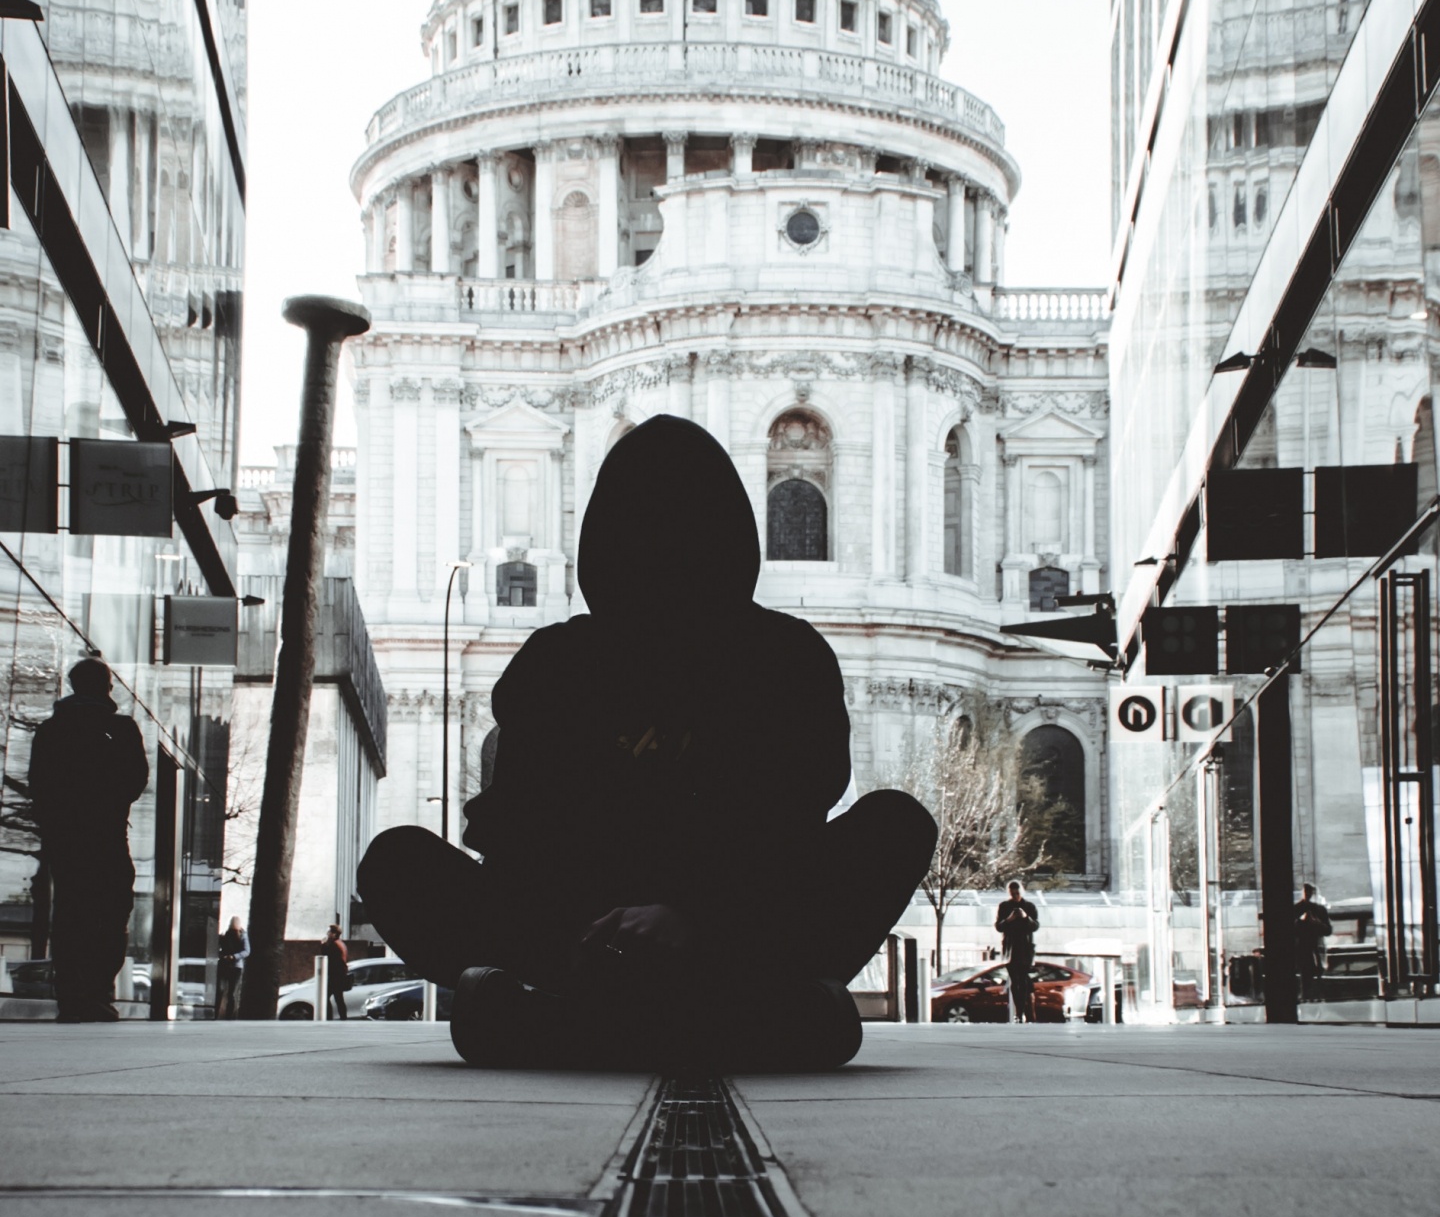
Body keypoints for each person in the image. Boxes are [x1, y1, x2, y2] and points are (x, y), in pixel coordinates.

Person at [359, 416, 936, 1071]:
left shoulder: (772, 656)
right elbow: (522, 829)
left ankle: (565, 1025)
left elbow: (790, 817)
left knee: (896, 824)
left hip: (677, 939)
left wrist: (690, 918)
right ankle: (752, 1024)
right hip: (655, 944)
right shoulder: (779, 653)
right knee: (396, 861)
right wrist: (622, 923)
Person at [29, 659, 149, 1023]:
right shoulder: (120, 728)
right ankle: (97, 993)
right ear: (105, 687)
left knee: (69, 915)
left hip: (65, 842)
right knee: (111, 913)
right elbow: (136, 779)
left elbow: (39, 784)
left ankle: (72, 996)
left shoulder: (50, 730)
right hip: (106, 837)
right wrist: (108, 805)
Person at [995, 879, 1039, 1022]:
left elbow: (1035, 926)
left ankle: (1022, 1011)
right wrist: (1010, 919)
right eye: (1012, 893)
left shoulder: (1029, 906)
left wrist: (1026, 917)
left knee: (1024, 980)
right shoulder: (1004, 906)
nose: (1015, 896)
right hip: (1011, 948)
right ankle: (1019, 1012)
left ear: (1021, 892)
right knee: (1015, 980)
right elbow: (999, 926)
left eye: (1017, 893)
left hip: (1025, 948)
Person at [1295, 884, 1331, 1004]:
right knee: (1310, 978)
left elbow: (1327, 931)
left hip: (1306, 950)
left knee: (1308, 979)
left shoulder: (1299, 909)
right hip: (1308, 950)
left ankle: (1309, 999)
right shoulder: (1318, 910)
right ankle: (1313, 999)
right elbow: (1327, 930)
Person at [216, 915, 249, 1017]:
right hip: (231, 966)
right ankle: (220, 1014)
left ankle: (227, 1015)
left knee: (230, 993)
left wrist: (233, 957)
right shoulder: (227, 934)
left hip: (234, 966)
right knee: (224, 991)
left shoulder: (243, 935)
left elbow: (247, 951)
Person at [322, 917, 351, 1020]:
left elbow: (325, 956)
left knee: (326, 997)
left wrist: (323, 944)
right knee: (338, 999)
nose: (327, 934)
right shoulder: (341, 943)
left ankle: (329, 1017)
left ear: (334, 934)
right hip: (340, 975)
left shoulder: (333, 945)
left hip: (335, 976)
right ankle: (343, 1017)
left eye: (329, 932)